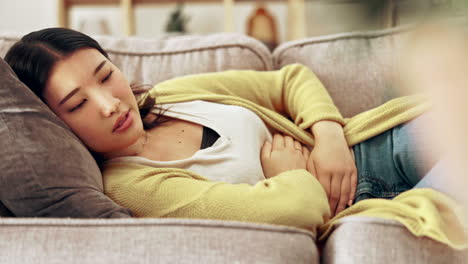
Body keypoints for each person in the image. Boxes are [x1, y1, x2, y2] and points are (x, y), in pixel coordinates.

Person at [4, 28, 438, 231]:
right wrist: (294, 175)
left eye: (105, 75)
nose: (109, 103)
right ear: (54, 123)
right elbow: (294, 213)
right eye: (77, 103)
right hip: (369, 209)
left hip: (380, 147)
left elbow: (290, 80)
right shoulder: (130, 186)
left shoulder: (172, 95)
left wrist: (328, 138)